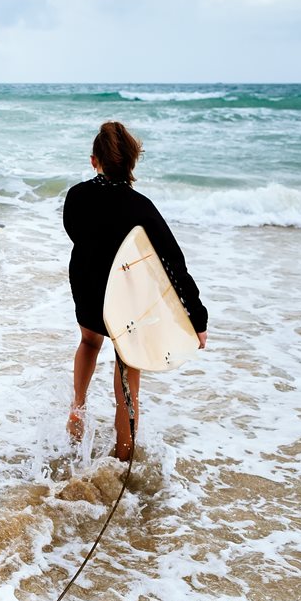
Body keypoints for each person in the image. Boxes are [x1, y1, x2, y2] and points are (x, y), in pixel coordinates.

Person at [62, 121, 208, 461]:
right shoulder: (140, 206)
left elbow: (73, 231)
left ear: (93, 161)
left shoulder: (77, 195)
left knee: (88, 341)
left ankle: (77, 409)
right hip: (125, 291)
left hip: (85, 280)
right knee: (127, 361)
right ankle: (123, 454)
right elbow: (173, 263)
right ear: (132, 162)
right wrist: (196, 318)